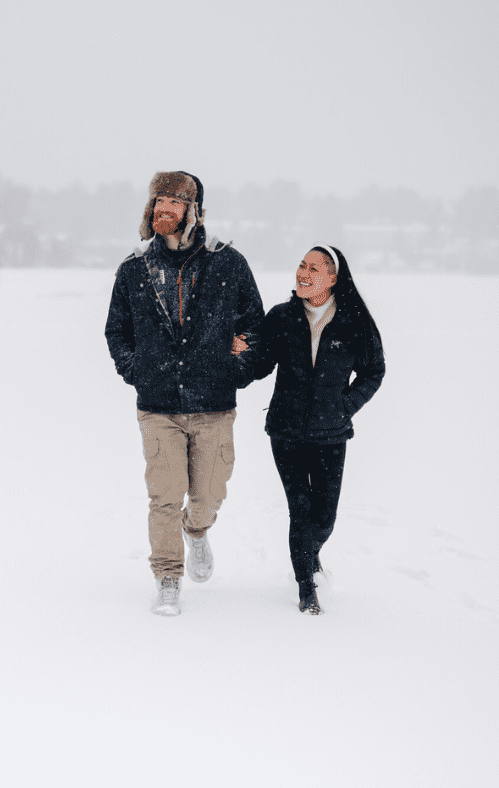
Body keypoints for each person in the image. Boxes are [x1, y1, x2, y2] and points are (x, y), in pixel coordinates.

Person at [105, 171, 264, 616]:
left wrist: (238, 368)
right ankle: (168, 577)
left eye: (173, 204)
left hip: (214, 403)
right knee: (165, 495)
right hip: (158, 405)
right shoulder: (134, 268)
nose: (163, 211)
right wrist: (136, 371)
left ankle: (196, 532)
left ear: (194, 212)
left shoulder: (228, 263)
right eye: (158, 203)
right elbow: (117, 330)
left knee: (208, 495)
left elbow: (255, 325)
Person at [231, 245, 385, 615]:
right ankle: (306, 587)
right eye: (301, 265)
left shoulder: (353, 321)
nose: (303, 272)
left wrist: (343, 406)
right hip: (285, 430)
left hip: (331, 434)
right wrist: (239, 353)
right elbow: (261, 363)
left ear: (333, 278)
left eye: (314, 268)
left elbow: (373, 371)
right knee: (299, 508)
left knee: (324, 516)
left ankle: (309, 552)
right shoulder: (282, 317)